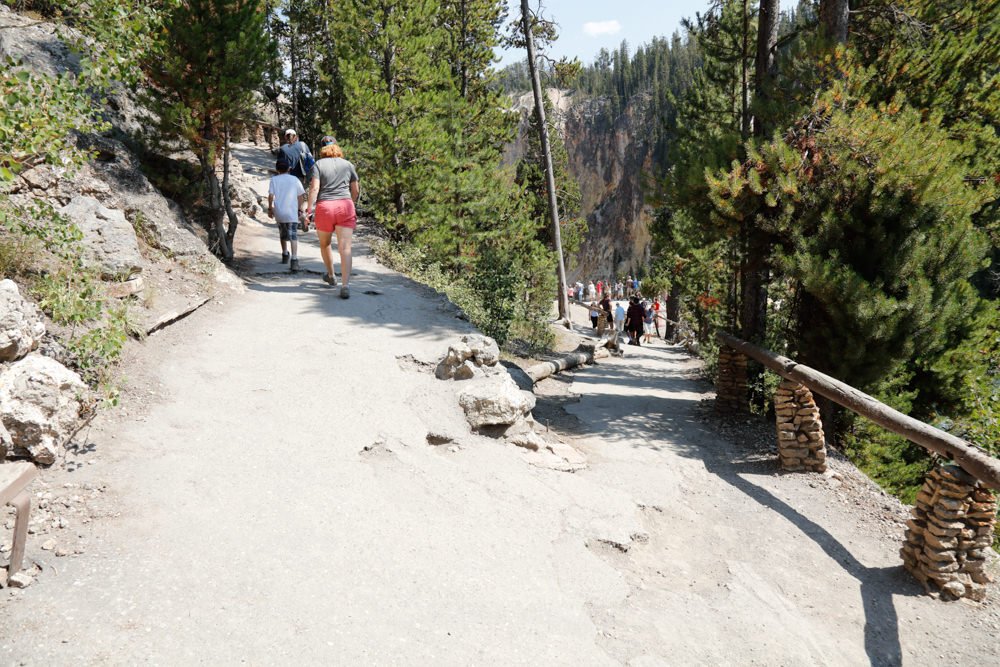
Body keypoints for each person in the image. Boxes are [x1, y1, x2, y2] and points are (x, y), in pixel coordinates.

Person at [306, 136, 359, 298]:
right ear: (337, 146)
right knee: (345, 248)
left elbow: (315, 188)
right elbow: (355, 190)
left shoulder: (318, 165)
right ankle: (345, 285)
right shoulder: (348, 165)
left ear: (322, 149)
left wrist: (308, 210)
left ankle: (331, 275)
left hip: (325, 207)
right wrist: (352, 204)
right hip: (345, 205)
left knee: (325, 244)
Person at [267, 157, 307, 271]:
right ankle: (294, 260)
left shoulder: (274, 180)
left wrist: (270, 209)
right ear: (289, 168)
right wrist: (299, 208)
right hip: (291, 212)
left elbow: (270, 196)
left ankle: (285, 254)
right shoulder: (294, 179)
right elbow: (301, 196)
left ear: (277, 169)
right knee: (293, 235)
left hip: (279, 211)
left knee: (282, 233)